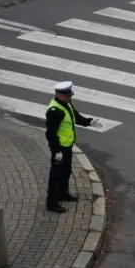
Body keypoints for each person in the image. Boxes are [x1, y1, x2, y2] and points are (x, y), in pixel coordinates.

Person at [45, 81, 100, 213]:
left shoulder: (66, 104)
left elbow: (75, 117)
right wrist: (56, 151)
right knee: (56, 175)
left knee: (66, 171)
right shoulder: (55, 111)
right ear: (59, 95)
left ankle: (63, 194)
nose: (71, 97)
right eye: (68, 95)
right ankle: (51, 203)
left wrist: (89, 122)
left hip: (67, 145)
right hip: (60, 148)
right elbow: (50, 134)